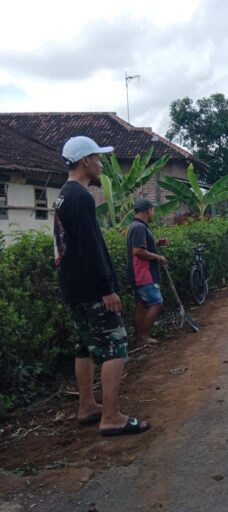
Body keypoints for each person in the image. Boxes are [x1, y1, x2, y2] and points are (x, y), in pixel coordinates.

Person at [54, 136, 149, 436]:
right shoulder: (81, 198)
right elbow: (90, 248)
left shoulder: (64, 195)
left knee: (85, 345)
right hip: (92, 290)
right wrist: (107, 288)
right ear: (85, 161)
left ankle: (87, 406)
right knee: (115, 347)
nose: (100, 164)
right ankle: (111, 417)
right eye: (97, 159)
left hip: (73, 288)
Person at [127, 198, 168, 346]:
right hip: (144, 274)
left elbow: (142, 246)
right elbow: (138, 251)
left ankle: (140, 338)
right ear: (147, 211)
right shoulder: (139, 227)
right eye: (153, 210)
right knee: (156, 302)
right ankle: (144, 336)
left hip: (138, 274)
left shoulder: (136, 226)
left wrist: (157, 244)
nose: (153, 213)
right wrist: (159, 256)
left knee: (142, 305)